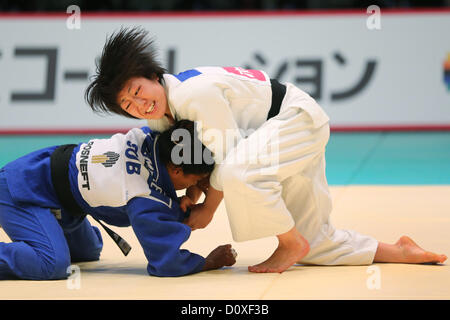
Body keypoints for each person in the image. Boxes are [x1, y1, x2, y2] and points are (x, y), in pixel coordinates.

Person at [85, 27, 447, 273]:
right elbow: (204, 159)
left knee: (238, 173)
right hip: (274, 137)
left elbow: (227, 160)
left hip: (295, 120)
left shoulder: (193, 94)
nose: (138, 104)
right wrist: (193, 192)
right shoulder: (162, 117)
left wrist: (207, 209)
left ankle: (288, 244)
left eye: (137, 91)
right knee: (318, 242)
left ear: (152, 76)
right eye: (127, 105)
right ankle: (399, 250)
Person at [0, 120, 237, 280]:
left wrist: (188, 198)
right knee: (52, 264)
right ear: (176, 170)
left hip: (52, 179)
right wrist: (208, 262)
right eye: (197, 179)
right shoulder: (143, 198)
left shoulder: (152, 135)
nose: (199, 185)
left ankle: (52, 228)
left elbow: (162, 191)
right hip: (21, 189)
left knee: (89, 251)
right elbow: (166, 263)